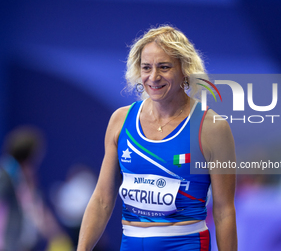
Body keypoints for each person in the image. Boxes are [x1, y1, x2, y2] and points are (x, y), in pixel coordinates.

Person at [77, 25, 237, 251]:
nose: (153, 77)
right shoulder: (120, 120)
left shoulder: (212, 127)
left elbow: (223, 211)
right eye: (146, 67)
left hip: (185, 244)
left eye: (164, 67)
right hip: (131, 243)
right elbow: (102, 199)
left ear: (185, 69)